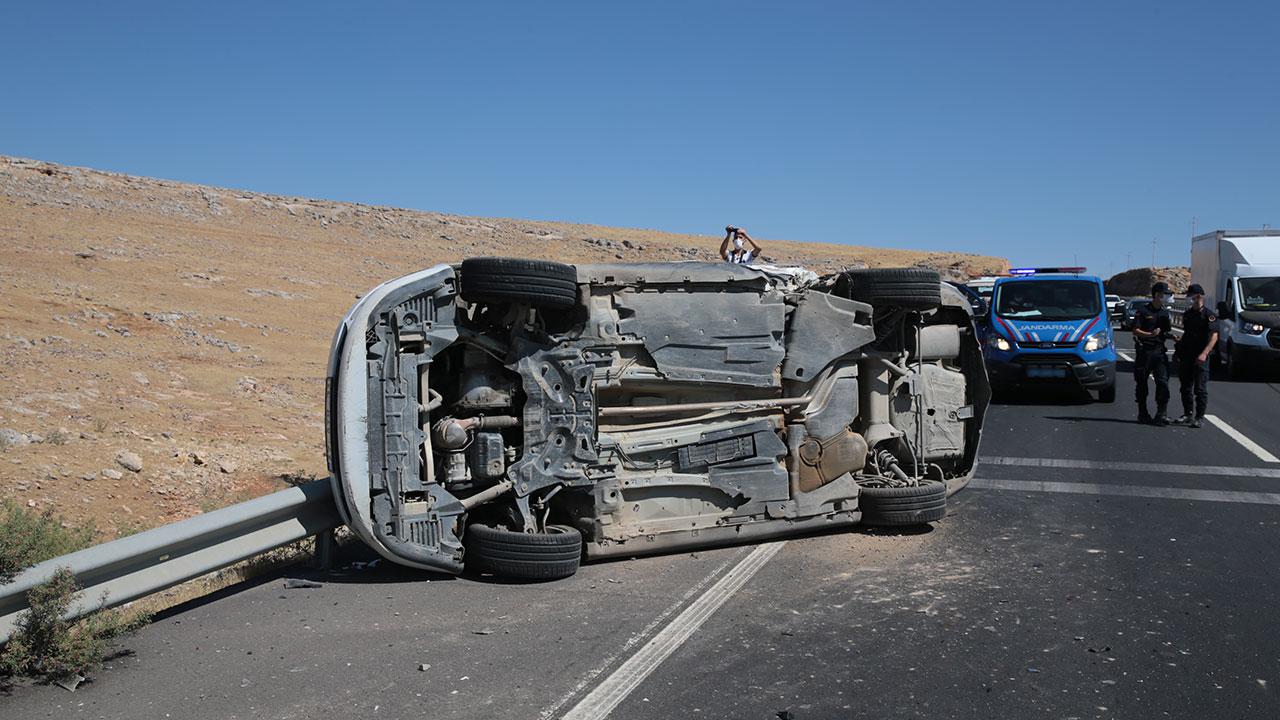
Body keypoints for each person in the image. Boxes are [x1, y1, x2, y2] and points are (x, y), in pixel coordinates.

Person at [1174, 283, 1219, 428]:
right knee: (1185, 386)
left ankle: (1199, 417)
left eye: (1191, 296)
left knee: (1200, 389)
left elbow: (1214, 337)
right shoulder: (1187, 314)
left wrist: (1204, 353)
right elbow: (1187, 334)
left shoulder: (1209, 315)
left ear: (1198, 296)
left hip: (1201, 356)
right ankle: (1187, 413)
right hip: (1187, 354)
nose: (1189, 299)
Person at [1131, 281, 1173, 425]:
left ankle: (1161, 413)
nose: (1165, 297)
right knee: (1142, 383)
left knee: (1163, 382)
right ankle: (1142, 413)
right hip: (1145, 352)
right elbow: (1135, 330)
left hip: (1160, 352)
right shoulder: (1143, 311)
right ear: (1156, 294)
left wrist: (1172, 337)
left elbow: (1165, 331)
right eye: (1163, 294)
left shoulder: (1164, 312)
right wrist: (1150, 334)